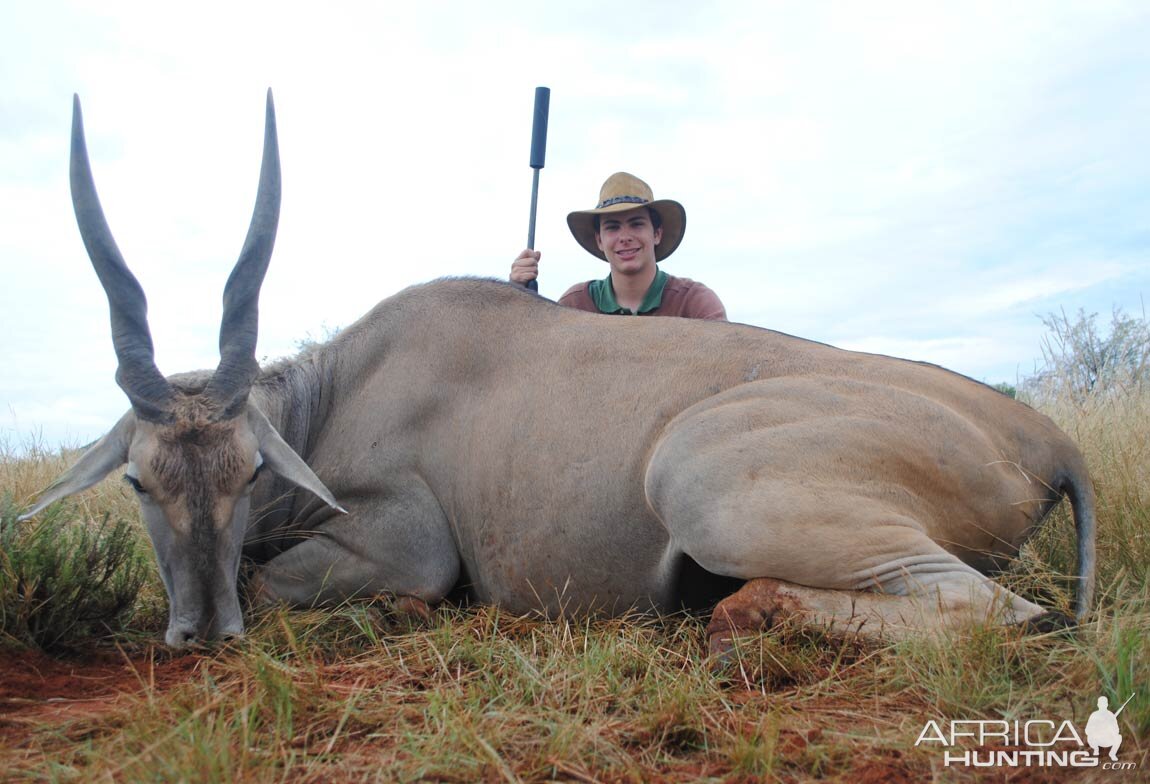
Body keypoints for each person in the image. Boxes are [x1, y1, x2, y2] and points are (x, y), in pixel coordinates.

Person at [510, 172, 726, 320]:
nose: (625, 237)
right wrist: (517, 297)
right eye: (613, 227)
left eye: (636, 224)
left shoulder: (695, 304)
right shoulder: (575, 305)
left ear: (657, 233)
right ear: (599, 240)